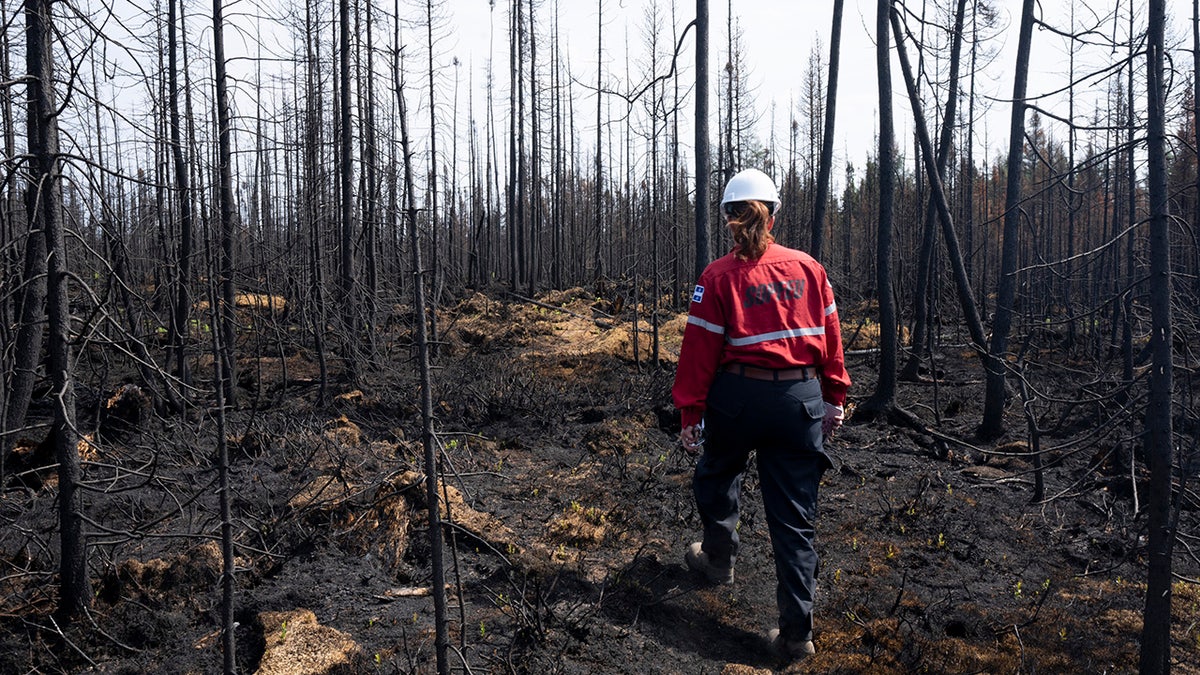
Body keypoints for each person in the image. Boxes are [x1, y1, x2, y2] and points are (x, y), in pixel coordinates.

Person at [672, 168, 850, 661]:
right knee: (795, 520)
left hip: (738, 399)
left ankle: (717, 558)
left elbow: (699, 353)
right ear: (775, 213)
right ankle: (796, 636)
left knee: (717, 471)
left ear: (729, 216)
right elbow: (831, 341)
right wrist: (834, 398)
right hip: (800, 401)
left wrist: (691, 414)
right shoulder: (809, 269)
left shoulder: (717, 276)